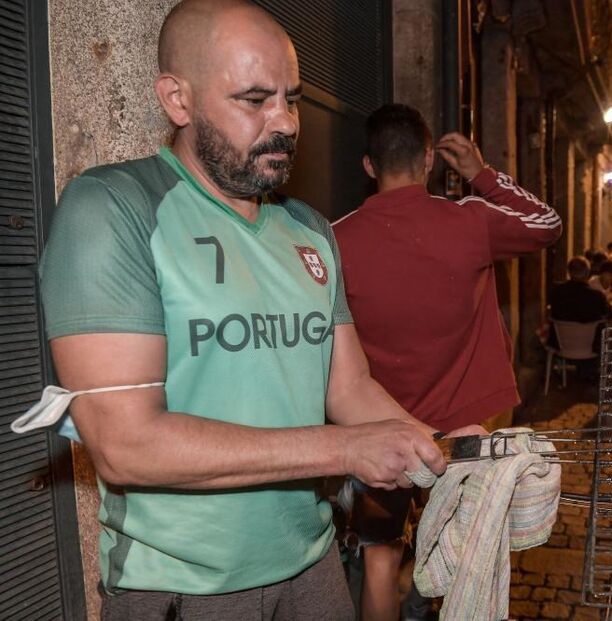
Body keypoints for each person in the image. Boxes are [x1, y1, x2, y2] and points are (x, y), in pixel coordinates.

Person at [37, 2, 481, 618]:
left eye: (291, 98)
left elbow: (349, 386)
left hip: (314, 564)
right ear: (177, 100)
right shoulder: (113, 210)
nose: (286, 123)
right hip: (182, 589)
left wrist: (442, 452)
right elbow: (125, 443)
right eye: (254, 100)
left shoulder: (309, 229)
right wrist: (344, 451)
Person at [333, 104, 561, 620]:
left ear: (370, 166)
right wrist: (481, 174)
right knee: (467, 552)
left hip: (381, 431)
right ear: (431, 159)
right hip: (467, 430)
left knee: (378, 562)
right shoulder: (469, 220)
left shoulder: (334, 238)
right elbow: (546, 224)